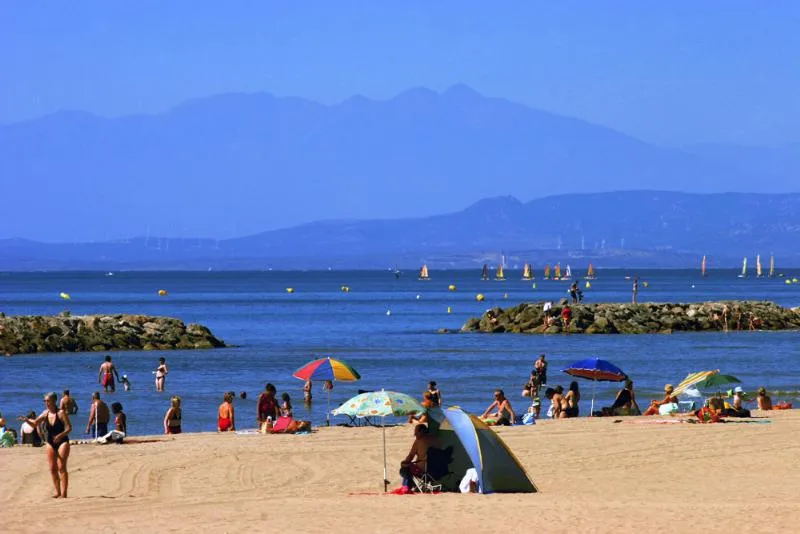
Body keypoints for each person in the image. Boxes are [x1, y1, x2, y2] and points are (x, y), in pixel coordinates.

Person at [18, 392, 71, 498]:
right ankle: (58, 492)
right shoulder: (45, 413)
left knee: (61, 467)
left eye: (48, 401)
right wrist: (27, 420)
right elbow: (35, 424)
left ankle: (64, 493)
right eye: (45, 401)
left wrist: (60, 435)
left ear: (54, 401)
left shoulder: (61, 413)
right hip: (50, 442)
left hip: (63, 441)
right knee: (52, 468)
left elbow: (69, 428)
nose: (46, 403)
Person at [399, 424, 434, 493]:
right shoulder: (435, 439)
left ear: (422, 431)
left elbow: (411, 456)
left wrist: (405, 462)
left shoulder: (418, 441)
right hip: (438, 469)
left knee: (405, 469)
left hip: (423, 470)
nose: (415, 434)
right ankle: (412, 486)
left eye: (416, 432)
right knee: (408, 467)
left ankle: (406, 487)